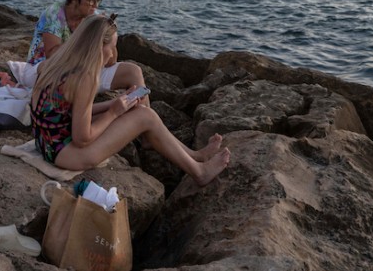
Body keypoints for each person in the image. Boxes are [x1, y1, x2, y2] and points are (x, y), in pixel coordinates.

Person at [30, 14, 231, 186]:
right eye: (113, 46)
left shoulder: (55, 63)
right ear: (99, 46)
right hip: (66, 154)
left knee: (140, 112)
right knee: (146, 117)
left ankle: (194, 156)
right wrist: (113, 112)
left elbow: (66, 112)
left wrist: (116, 103)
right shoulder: (85, 78)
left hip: (46, 142)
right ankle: (199, 172)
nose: (112, 54)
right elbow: (82, 139)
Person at [26, 0, 144, 94]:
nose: (95, 6)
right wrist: (85, 41)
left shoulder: (94, 17)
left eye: (98, 0)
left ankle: (144, 112)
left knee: (134, 72)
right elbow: (52, 55)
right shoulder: (54, 15)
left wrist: (108, 36)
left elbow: (110, 62)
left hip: (83, 71)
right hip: (49, 72)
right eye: (91, 1)